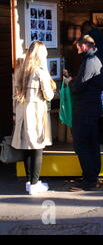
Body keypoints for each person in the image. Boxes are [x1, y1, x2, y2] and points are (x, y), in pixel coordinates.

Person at [12, 41, 56, 195]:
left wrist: (14, 113)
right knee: (37, 148)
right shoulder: (40, 71)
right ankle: (35, 184)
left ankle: (29, 182)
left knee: (27, 147)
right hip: (36, 112)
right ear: (40, 54)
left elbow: (14, 96)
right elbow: (48, 95)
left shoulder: (20, 70)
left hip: (22, 111)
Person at [64, 35, 103, 191]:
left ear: (84, 46)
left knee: (82, 143)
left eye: (78, 46)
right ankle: (91, 176)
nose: (76, 49)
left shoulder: (89, 61)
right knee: (92, 143)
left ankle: (89, 180)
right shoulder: (98, 59)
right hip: (92, 105)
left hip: (85, 107)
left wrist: (70, 82)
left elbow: (79, 87)